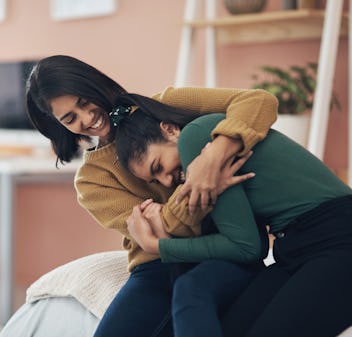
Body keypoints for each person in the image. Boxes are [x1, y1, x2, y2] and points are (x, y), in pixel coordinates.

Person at [26, 54, 278, 337]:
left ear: (94, 85)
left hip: (229, 249)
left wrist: (213, 159)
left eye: (84, 102)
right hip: (158, 267)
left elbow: (258, 102)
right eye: (70, 118)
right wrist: (200, 186)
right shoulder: (91, 180)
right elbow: (163, 232)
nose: (87, 118)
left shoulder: (164, 105)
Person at [113, 93, 352, 337]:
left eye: (158, 166)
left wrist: (159, 246)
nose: (166, 181)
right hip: (293, 248)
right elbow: (253, 245)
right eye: (155, 180)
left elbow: (244, 247)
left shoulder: (195, 138)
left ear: (170, 130)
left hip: (338, 237)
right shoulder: (201, 154)